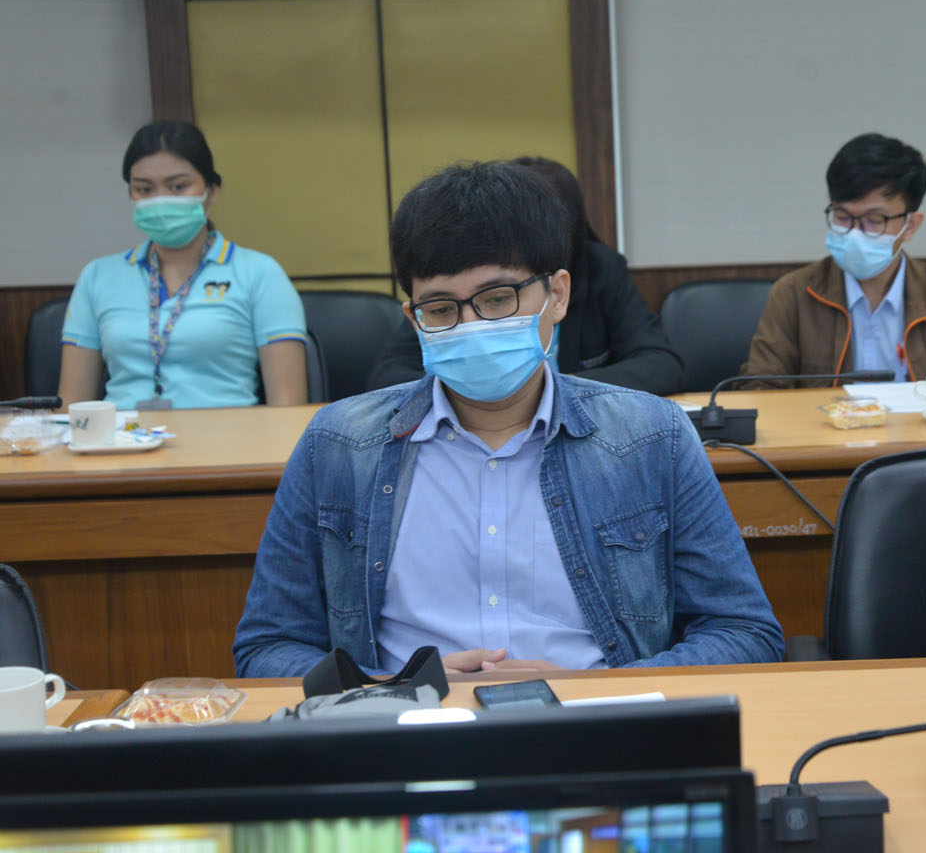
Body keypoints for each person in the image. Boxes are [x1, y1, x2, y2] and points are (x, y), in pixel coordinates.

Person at [234, 160, 782, 678]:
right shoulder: (337, 445)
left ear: (557, 295)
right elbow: (267, 646)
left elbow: (744, 632)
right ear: (413, 319)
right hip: (405, 727)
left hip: (595, 727)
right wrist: (390, 685)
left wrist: (596, 691)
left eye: (497, 299)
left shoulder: (653, 437)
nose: (471, 326)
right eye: (441, 309)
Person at [367, 156, 684, 396]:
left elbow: (659, 364)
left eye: (498, 298)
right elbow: (389, 376)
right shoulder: (447, 290)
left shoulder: (602, 269)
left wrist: (549, 391)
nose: (471, 322)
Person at [58, 121, 308, 410]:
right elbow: (72, 405)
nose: (160, 200)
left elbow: (288, 409)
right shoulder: (97, 276)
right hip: (122, 435)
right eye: (144, 189)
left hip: (228, 436)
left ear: (211, 191)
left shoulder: (260, 274)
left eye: (178, 186)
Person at [739, 132, 926, 386]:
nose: (855, 233)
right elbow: (761, 388)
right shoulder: (794, 294)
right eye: (843, 217)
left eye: (874, 220)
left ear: (910, 225)